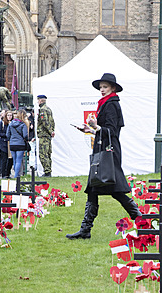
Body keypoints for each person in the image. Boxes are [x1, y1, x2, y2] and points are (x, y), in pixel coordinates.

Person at [66, 73, 142, 240]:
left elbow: (112, 131)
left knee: (117, 191)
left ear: (113, 88)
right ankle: (85, 230)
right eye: (100, 87)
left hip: (109, 152)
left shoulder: (111, 105)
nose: (102, 90)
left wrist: (97, 127)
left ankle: (142, 222)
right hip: (104, 151)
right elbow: (105, 130)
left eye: (105, 87)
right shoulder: (106, 103)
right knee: (93, 190)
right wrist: (91, 130)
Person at [36, 94, 55, 177]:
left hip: (44, 135)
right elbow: (52, 122)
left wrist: (50, 131)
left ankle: (47, 172)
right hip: (47, 135)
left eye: (38, 100)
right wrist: (52, 131)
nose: (37, 102)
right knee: (47, 153)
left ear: (40, 100)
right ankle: (48, 171)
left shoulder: (42, 110)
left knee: (43, 154)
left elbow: (45, 122)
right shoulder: (48, 109)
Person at [6, 109, 29, 178]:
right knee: (19, 160)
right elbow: (25, 135)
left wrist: (11, 139)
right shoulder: (23, 124)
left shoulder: (11, 124)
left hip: (12, 144)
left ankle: (16, 174)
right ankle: (16, 175)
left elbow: (7, 134)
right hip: (20, 144)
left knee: (14, 160)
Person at [0, 110, 14, 178]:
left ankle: (8, 173)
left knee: (10, 159)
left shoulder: (13, 123)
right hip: (4, 143)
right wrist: (6, 135)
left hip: (11, 143)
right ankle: (3, 174)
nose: (9, 117)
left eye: (10, 115)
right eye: (8, 115)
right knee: (4, 159)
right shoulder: (2, 123)